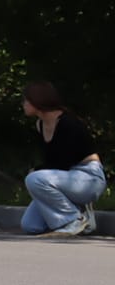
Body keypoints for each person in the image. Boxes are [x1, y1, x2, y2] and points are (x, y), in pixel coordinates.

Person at [19, 82, 103, 237]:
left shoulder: (68, 124)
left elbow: (63, 163)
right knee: (31, 225)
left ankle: (74, 219)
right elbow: (52, 162)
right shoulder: (40, 124)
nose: (23, 104)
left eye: (26, 100)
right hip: (64, 178)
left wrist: (36, 171)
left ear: (38, 101)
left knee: (34, 179)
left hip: (88, 178)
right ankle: (81, 216)